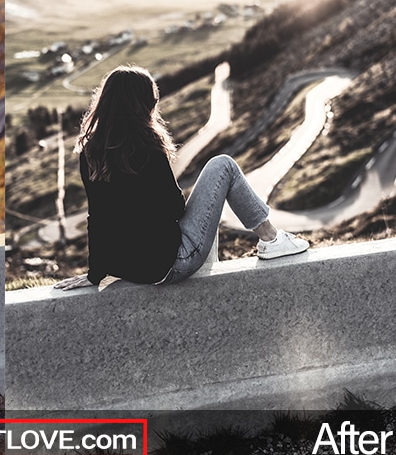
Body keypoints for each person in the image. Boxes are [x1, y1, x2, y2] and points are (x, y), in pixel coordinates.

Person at [55, 65, 308, 291]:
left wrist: (95, 273)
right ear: (143, 104)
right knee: (223, 165)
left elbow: (97, 217)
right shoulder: (147, 145)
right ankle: (271, 239)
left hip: (129, 269)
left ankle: (268, 241)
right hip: (170, 264)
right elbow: (173, 208)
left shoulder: (90, 151)